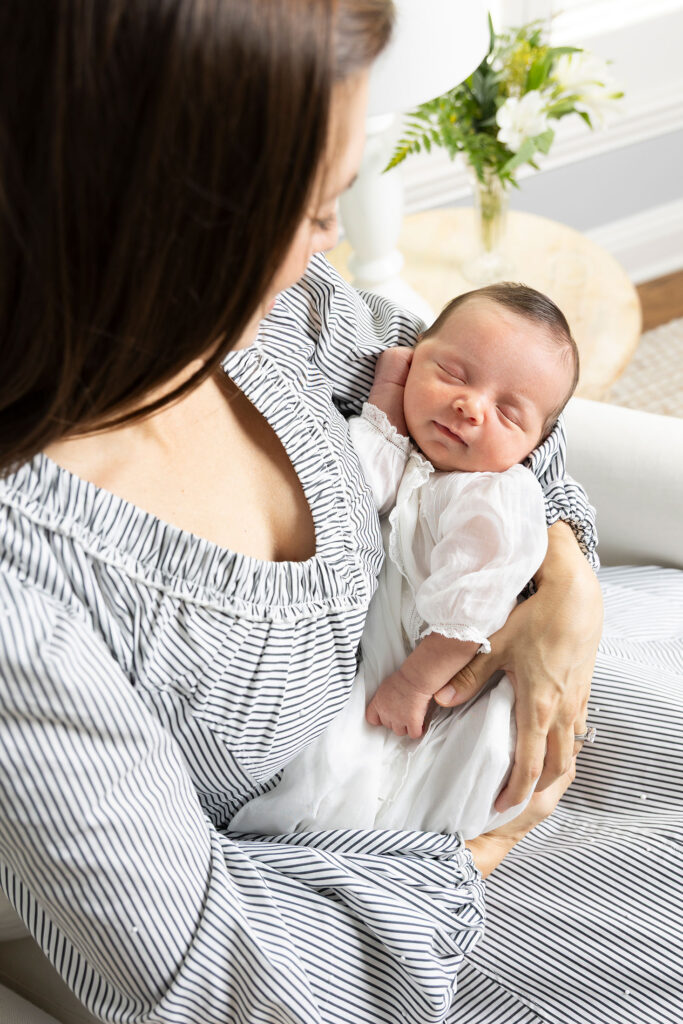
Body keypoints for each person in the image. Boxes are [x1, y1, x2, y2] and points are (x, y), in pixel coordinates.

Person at [0, 3, 680, 1024]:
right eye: (319, 211)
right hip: (382, 893)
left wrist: (565, 577)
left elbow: (490, 423)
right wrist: (482, 846)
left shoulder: (268, 314)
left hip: (517, 696)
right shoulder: (29, 596)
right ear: (158, 224)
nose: (333, 248)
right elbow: (235, 976)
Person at [231, 283, 581, 841]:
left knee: (447, 765)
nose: (470, 405)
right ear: (417, 353)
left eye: (508, 414)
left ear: (534, 450)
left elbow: (471, 613)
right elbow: (357, 487)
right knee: (331, 756)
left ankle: (480, 836)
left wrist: (414, 686)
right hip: (379, 647)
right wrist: (389, 399)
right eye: (454, 374)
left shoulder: (497, 497)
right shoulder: (419, 463)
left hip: (442, 668)